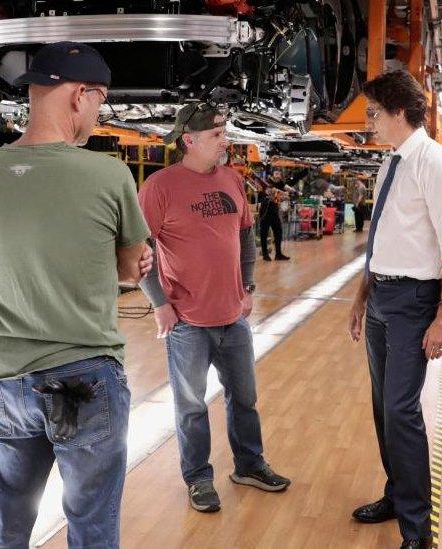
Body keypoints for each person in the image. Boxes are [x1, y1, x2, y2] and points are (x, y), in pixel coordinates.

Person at [0, 42, 153, 548]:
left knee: (7, 519)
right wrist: (122, 264)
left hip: (6, 382)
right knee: (90, 524)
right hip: (84, 377)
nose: (97, 111)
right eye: (99, 100)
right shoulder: (108, 173)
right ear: (79, 96)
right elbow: (132, 269)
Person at [138, 102, 291, 513]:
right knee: (191, 407)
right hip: (187, 321)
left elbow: (244, 235)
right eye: (217, 135)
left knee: (245, 399)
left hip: (233, 318)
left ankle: (249, 464)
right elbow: (139, 250)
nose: (225, 141)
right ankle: (198, 479)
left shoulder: (232, 180)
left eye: (224, 132)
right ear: (190, 140)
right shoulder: (160, 187)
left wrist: (248, 286)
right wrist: (159, 304)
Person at [346, 70, 442, 549]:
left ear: (400, 112)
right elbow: (381, 239)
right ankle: (397, 494)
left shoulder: (434, 162)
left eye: (374, 113)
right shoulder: (392, 163)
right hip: (381, 298)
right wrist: (361, 298)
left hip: (415, 302)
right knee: (383, 406)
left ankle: (418, 534)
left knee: (400, 410)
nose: (371, 123)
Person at [259, 170, 290, 261]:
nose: (278, 176)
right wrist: (281, 195)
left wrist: (284, 196)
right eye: (276, 173)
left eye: (280, 174)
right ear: (272, 175)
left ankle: (278, 254)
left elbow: (283, 196)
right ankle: (265, 254)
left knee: (278, 232)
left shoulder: (281, 184)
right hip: (265, 211)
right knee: (263, 233)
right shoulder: (266, 183)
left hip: (274, 211)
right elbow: (271, 194)